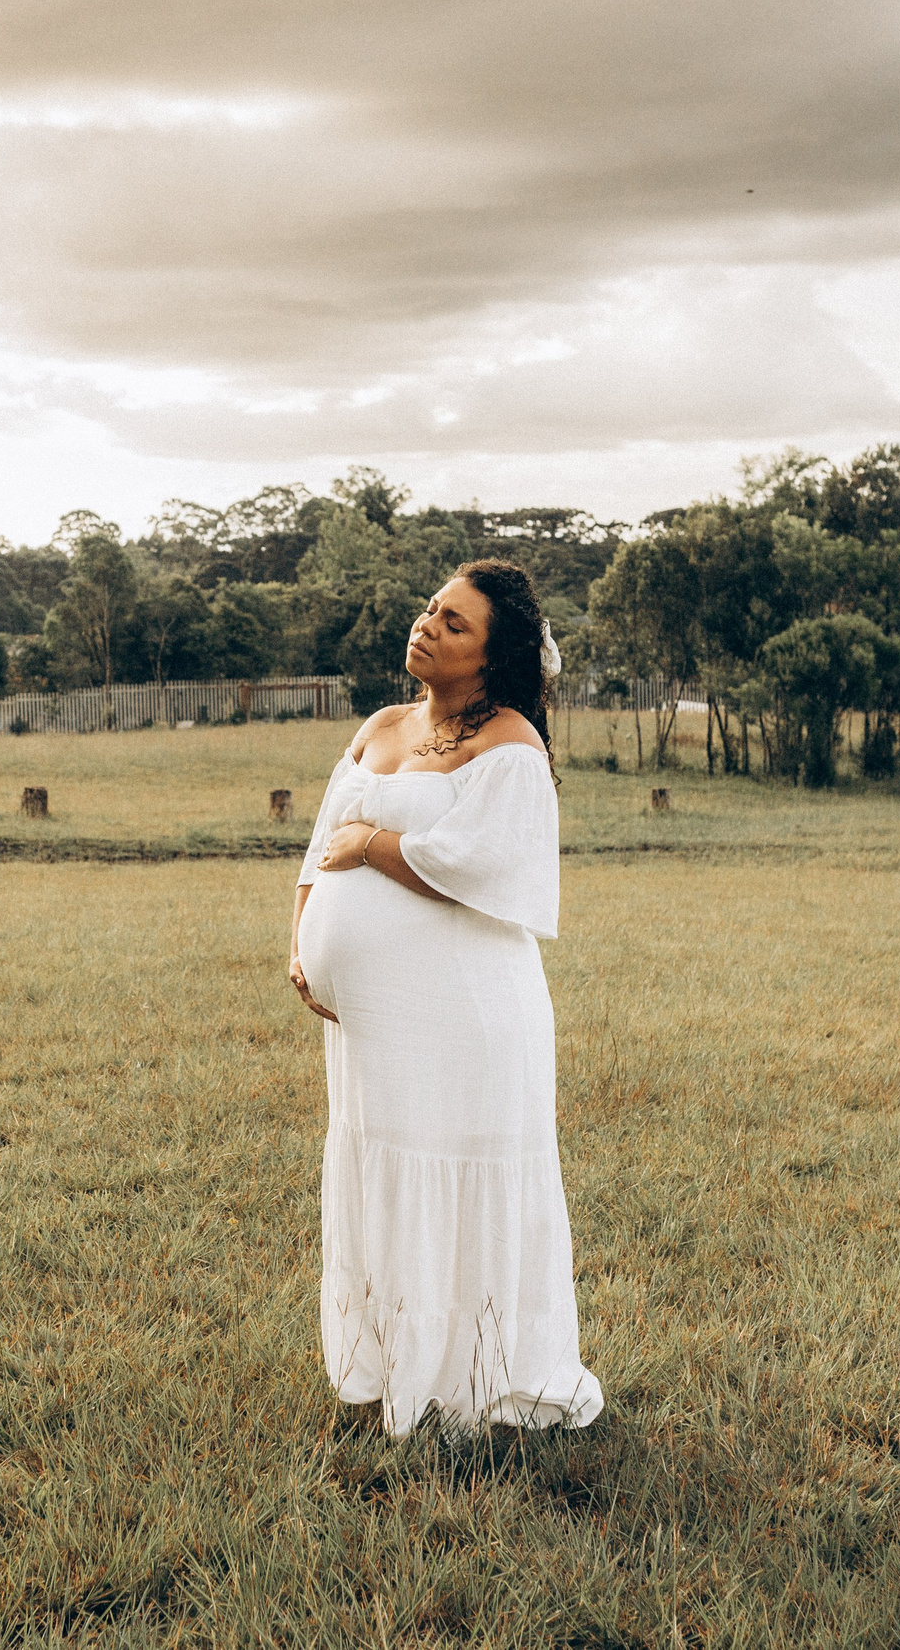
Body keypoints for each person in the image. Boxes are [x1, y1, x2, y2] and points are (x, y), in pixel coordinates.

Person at [288, 559, 604, 1436]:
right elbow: (320, 845)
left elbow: (487, 864)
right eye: (431, 608)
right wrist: (303, 937)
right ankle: (393, 1364)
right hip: (375, 1027)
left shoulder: (510, 744)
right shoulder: (380, 724)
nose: (429, 625)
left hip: (464, 1020)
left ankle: (474, 1381)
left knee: (454, 1170)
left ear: (491, 658)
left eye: (455, 624)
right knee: (383, 1158)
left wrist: (374, 843)